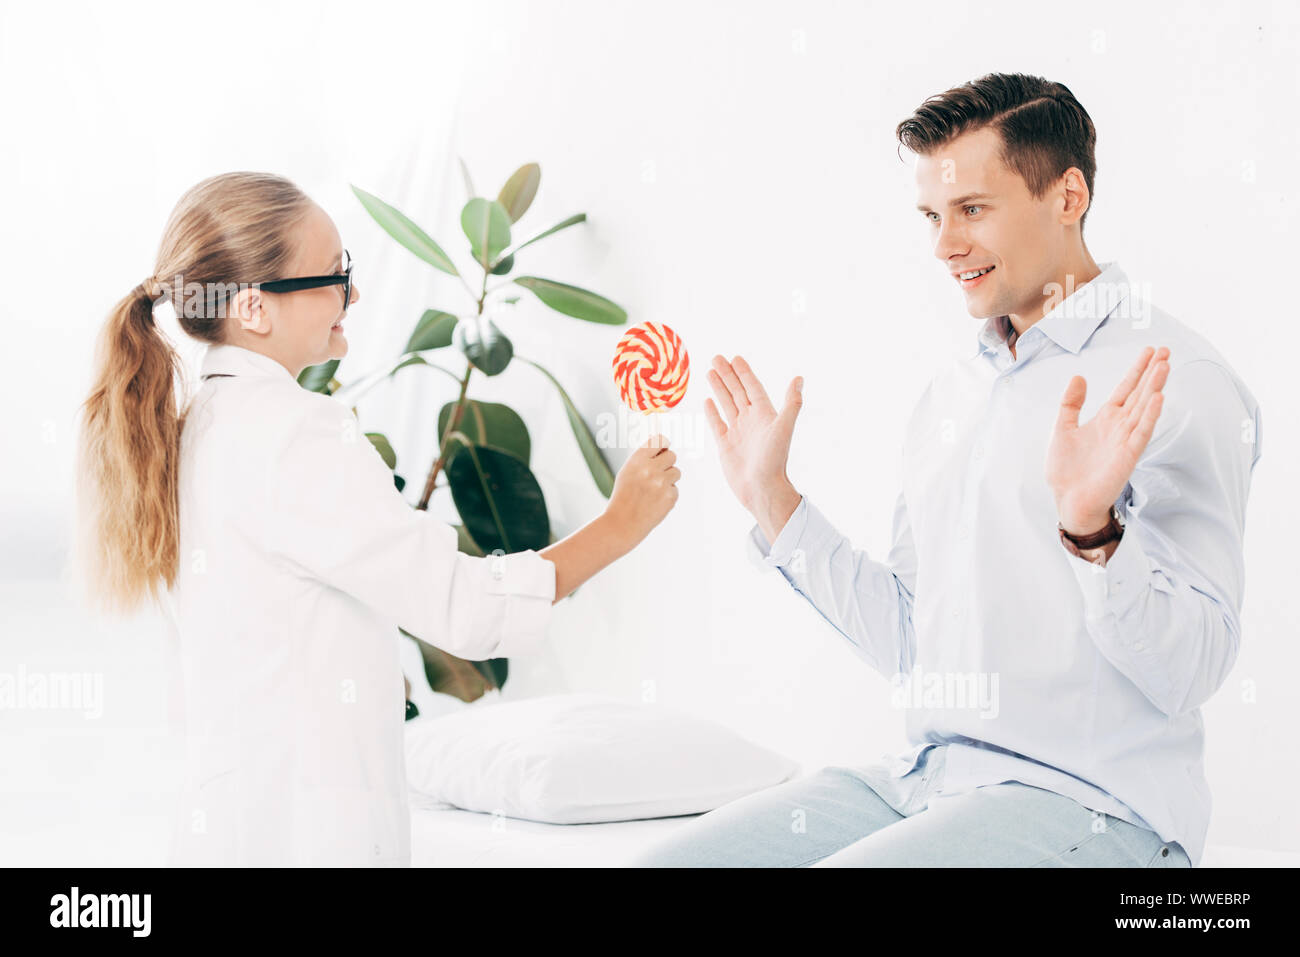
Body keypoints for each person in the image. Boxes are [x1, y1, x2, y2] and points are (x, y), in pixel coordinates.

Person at [634, 72, 1261, 868]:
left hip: (1093, 804)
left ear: (1068, 196)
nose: (943, 245)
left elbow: (1194, 666)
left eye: (972, 210)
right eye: (932, 215)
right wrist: (776, 504)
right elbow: (913, 642)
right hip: (930, 780)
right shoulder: (953, 394)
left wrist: (1093, 532)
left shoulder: (1175, 379)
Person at [73, 171, 681, 866]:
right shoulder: (296, 435)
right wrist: (620, 524)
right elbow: (464, 610)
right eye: (334, 275)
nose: (352, 294)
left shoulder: (189, 434)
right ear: (254, 308)